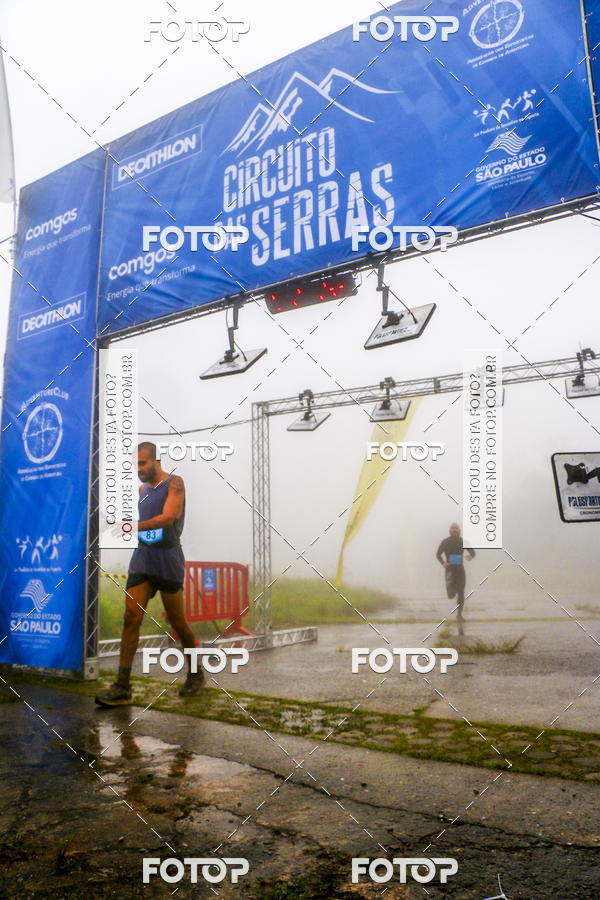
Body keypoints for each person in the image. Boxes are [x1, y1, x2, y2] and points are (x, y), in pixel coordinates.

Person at [95, 442, 204, 707]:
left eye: (143, 463)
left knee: (177, 622)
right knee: (131, 617)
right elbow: (144, 527)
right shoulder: (142, 490)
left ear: (156, 461)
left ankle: (195, 672)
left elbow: (168, 517)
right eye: (137, 464)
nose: (139, 469)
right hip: (143, 557)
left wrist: (134, 525)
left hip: (168, 558)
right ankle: (122, 687)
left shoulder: (175, 483)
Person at [436, 523, 475, 635]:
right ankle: (452, 594)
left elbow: (473, 552)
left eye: (456, 528)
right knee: (451, 595)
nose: (454, 530)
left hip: (460, 570)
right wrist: (443, 563)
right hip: (449, 571)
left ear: (459, 530)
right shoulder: (445, 542)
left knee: (461, 592)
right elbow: (438, 554)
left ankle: (459, 615)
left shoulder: (463, 541)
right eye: (452, 528)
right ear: (449, 530)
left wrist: (471, 556)